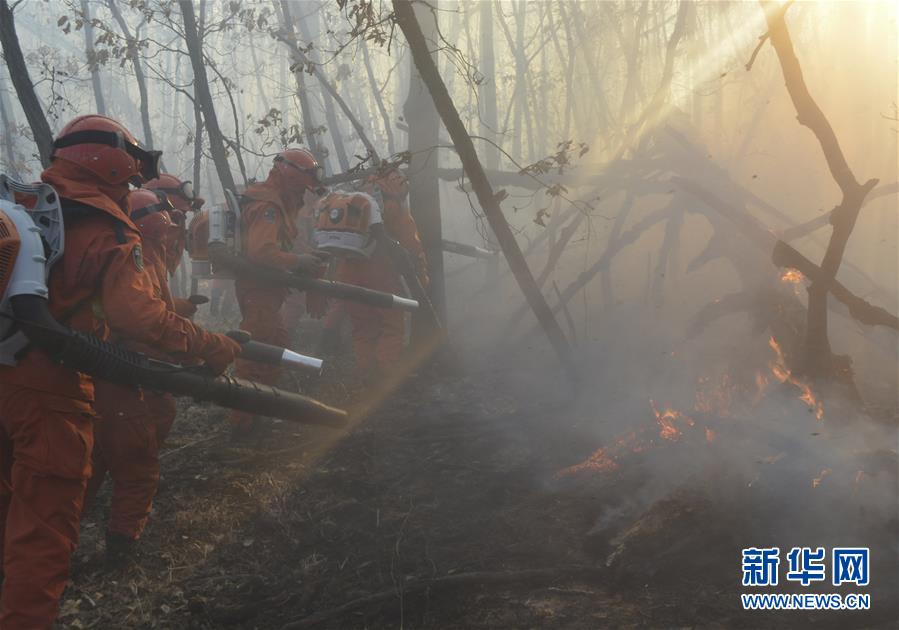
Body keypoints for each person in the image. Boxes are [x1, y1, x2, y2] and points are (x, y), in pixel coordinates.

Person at [0, 115, 240, 629]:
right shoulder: (102, 224)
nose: (134, 181)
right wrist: (209, 345)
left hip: (8, 367)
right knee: (43, 535)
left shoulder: (29, 206)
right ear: (111, 158)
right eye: (131, 168)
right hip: (53, 384)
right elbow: (137, 315)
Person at [85, 190, 184, 565]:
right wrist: (192, 350)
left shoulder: (145, 253)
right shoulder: (130, 257)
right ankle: (120, 546)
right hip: (119, 375)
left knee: (100, 458)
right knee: (135, 462)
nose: (166, 238)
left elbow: (154, 311)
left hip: (124, 372)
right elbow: (137, 323)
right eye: (159, 232)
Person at [230, 149, 327, 438]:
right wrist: (299, 262)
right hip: (258, 293)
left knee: (274, 348)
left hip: (268, 293)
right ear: (294, 178)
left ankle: (261, 412)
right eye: (305, 188)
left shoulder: (277, 201)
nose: (305, 197)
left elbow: (280, 249)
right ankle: (243, 425)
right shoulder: (269, 206)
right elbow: (262, 252)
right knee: (255, 359)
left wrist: (308, 264)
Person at [322, 169, 428, 375]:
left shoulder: (356, 197)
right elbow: (410, 244)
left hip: (348, 270)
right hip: (380, 272)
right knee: (392, 324)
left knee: (363, 328)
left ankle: (367, 374)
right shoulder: (393, 205)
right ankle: (385, 373)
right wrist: (422, 277)